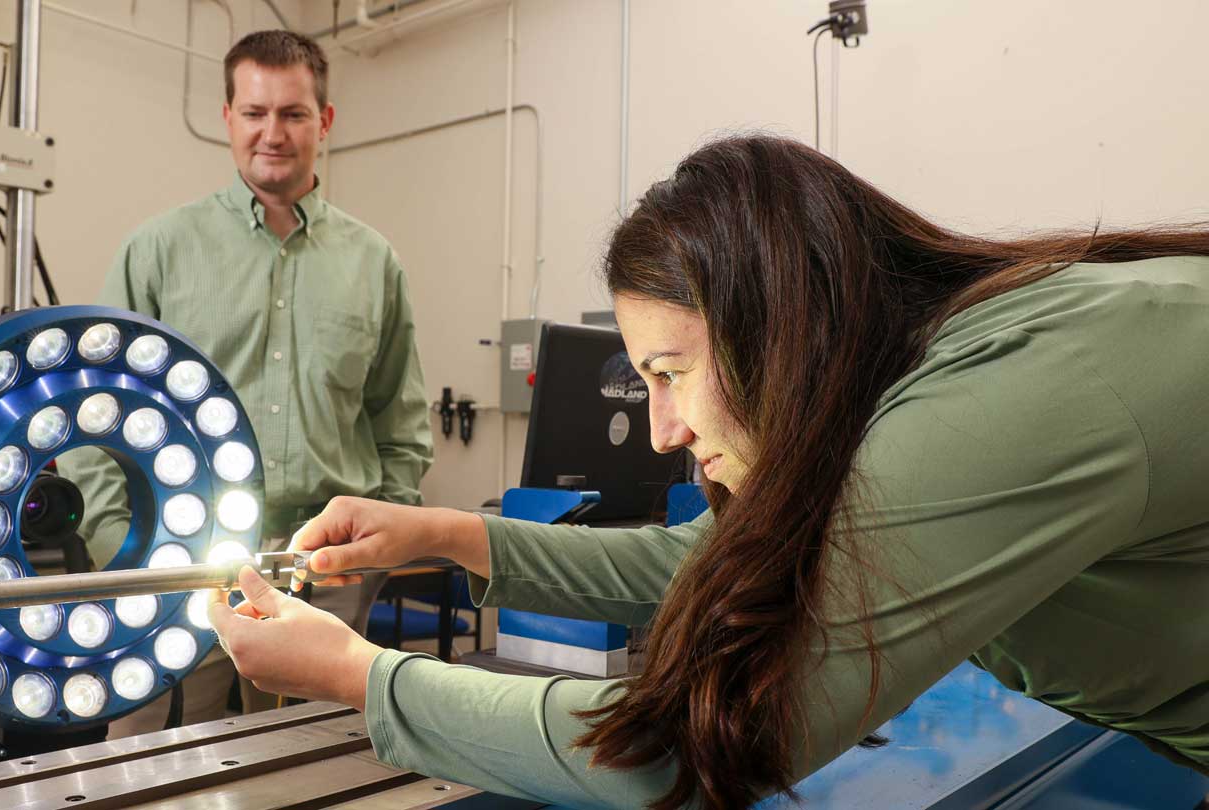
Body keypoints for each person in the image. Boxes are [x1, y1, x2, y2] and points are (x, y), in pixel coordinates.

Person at [208, 133, 1209, 809]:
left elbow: (692, 753)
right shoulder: (927, 369)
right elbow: (707, 554)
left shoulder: (1008, 402)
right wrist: (435, 533)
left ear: (783, 327)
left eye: (671, 373)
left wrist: (357, 677)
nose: (661, 431)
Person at [60, 29, 433, 733]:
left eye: (293, 113)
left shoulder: (374, 263)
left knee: (317, 772)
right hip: (177, 575)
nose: (273, 133)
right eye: (255, 112)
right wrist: (121, 542)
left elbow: (399, 424)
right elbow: (92, 414)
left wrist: (376, 548)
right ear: (228, 117)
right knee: (144, 775)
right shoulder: (160, 251)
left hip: (329, 578)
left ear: (324, 122)